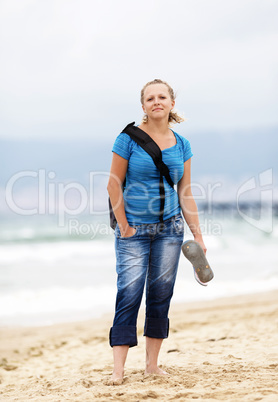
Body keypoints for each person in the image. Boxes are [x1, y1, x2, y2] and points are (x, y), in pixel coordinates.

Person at [107, 79, 206, 384]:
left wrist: (197, 235)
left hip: (170, 229)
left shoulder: (183, 144)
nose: (156, 101)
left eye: (162, 96)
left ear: (171, 103)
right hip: (133, 230)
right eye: (150, 98)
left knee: (161, 294)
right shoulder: (128, 139)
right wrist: (123, 226)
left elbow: (185, 192)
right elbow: (113, 184)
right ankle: (118, 370)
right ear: (144, 107)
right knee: (129, 293)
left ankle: (152, 365)